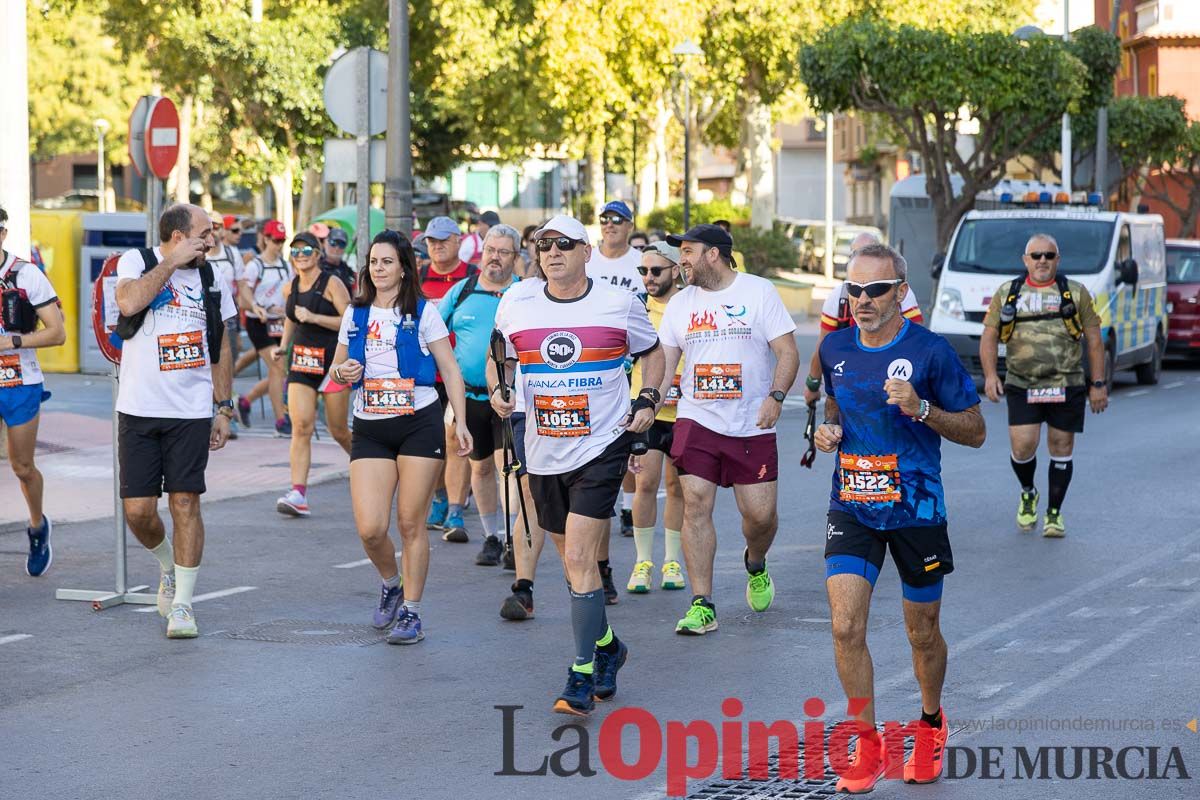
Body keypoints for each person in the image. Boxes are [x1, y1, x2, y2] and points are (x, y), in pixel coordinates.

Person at [814, 243, 985, 792]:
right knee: (845, 625)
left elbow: (977, 430)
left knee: (922, 634)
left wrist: (922, 408)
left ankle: (931, 723)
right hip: (854, 504)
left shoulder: (931, 353)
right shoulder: (834, 347)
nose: (862, 300)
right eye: (853, 289)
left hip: (917, 510)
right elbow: (835, 404)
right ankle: (865, 744)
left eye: (875, 290)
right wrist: (827, 429)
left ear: (900, 293)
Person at [491, 213, 664, 715]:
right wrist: (503, 390)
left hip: (601, 446)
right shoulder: (517, 301)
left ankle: (581, 674)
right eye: (544, 245)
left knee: (582, 561)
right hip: (543, 448)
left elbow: (653, 354)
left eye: (564, 244)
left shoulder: (618, 303)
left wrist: (648, 398)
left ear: (586, 251)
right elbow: (500, 354)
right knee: (572, 566)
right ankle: (610, 648)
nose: (552, 252)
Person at [329, 230, 473, 645]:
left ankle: (412, 611)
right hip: (371, 425)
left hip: (418, 421)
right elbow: (337, 369)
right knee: (371, 528)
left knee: (411, 523)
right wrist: (344, 373)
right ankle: (391, 583)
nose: (379, 268)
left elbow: (449, 369)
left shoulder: (423, 312)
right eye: (374, 261)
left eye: (387, 261)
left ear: (404, 267)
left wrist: (459, 422)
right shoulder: (355, 314)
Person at [657, 224, 800, 635]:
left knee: (759, 516)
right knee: (695, 503)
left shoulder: (758, 292)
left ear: (713, 254)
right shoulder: (681, 304)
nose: (681, 260)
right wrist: (649, 401)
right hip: (697, 418)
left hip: (751, 423)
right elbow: (666, 363)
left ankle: (755, 562)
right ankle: (702, 603)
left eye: (687, 251)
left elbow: (787, 351)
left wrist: (775, 396)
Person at [113, 203, 237, 638]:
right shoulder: (140, 261)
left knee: (185, 502)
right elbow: (128, 302)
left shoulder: (212, 277)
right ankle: (168, 564)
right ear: (178, 236)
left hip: (190, 410)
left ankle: (183, 604)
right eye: (205, 234)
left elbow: (221, 346)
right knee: (139, 512)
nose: (213, 241)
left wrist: (224, 407)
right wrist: (171, 263)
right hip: (139, 407)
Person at [980, 233, 1106, 537]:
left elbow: (1094, 341)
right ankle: (1028, 492)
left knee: (1061, 446)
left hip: (1067, 382)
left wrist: (1098, 383)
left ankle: (1054, 513)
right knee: (1023, 446)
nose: (1042, 261)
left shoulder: (1075, 293)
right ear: (1025, 260)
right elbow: (989, 336)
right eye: (1035, 255)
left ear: (1057, 260)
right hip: (1022, 383)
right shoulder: (1008, 292)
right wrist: (990, 375)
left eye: (1048, 256)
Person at [438, 224, 523, 565]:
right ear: (481, 252)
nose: (495, 258)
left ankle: (513, 539)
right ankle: (491, 537)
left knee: (508, 467)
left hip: (511, 399)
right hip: (469, 398)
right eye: (491, 250)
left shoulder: (525, 293)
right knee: (481, 468)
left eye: (504, 252)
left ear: (516, 257)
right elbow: (433, 332)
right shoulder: (461, 292)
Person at [0, 206, 66, 576]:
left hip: (19, 382)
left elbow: (58, 333)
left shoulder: (26, 275)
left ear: (3, 234)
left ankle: (38, 527)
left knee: (22, 467)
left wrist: (13, 341)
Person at [271, 232, 353, 516]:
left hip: (333, 365)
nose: (301, 255)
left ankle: (370, 467)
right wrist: (283, 347)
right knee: (301, 426)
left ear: (318, 254)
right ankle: (298, 493)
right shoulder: (289, 287)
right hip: (302, 363)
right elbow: (291, 319)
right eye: (295, 251)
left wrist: (315, 317)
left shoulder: (332, 283)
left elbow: (349, 321)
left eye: (307, 250)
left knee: (338, 430)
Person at [587, 200, 644, 591]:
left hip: (630, 368)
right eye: (604, 219)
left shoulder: (641, 263)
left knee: (625, 450)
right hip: (590, 369)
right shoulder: (587, 261)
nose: (609, 225)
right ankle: (598, 564)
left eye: (617, 220)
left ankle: (626, 508)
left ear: (629, 225)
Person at [626, 242, 686, 594]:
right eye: (643, 271)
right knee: (645, 485)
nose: (648, 278)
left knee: (678, 487)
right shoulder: (635, 307)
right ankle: (643, 561)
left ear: (675, 271)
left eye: (656, 271)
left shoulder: (689, 306)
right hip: (646, 410)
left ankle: (672, 561)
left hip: (684, 413)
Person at [802, 232, 924, 405]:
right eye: (855, 254)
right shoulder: (838, 296)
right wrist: (813, 384)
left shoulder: (901, 293)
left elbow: (919, 340)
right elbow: (823, 346)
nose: (863, 299)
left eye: (867, 253)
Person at [419, 216, 479, 538]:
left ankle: (455, 510)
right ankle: (440, 497)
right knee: (432, 443)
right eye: (431, 241)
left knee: (456, 438)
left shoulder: (473, 279)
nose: (437, 246)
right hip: (426, 375)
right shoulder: (416, 276)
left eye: (443, 240)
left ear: (459, 241)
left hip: (459, 375)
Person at [236, 219, 292, 435]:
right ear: (266, 239)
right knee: (278, 367)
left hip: (280, 324)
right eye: (276, 240)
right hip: (258, 323)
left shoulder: (286, 265)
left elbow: (289, 293)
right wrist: (258, 306)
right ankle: (281, 421)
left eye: (282, 241)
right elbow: (243, 298)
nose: (279, 245)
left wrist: (285, 309)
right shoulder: (254, 266)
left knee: (279, 372)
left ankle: (246, 401)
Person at [321, 226, 355, 292]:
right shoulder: (316, 267)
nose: (337, 248)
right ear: (325, 243)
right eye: (333, 243)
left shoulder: (348, 271)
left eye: (341, 244)